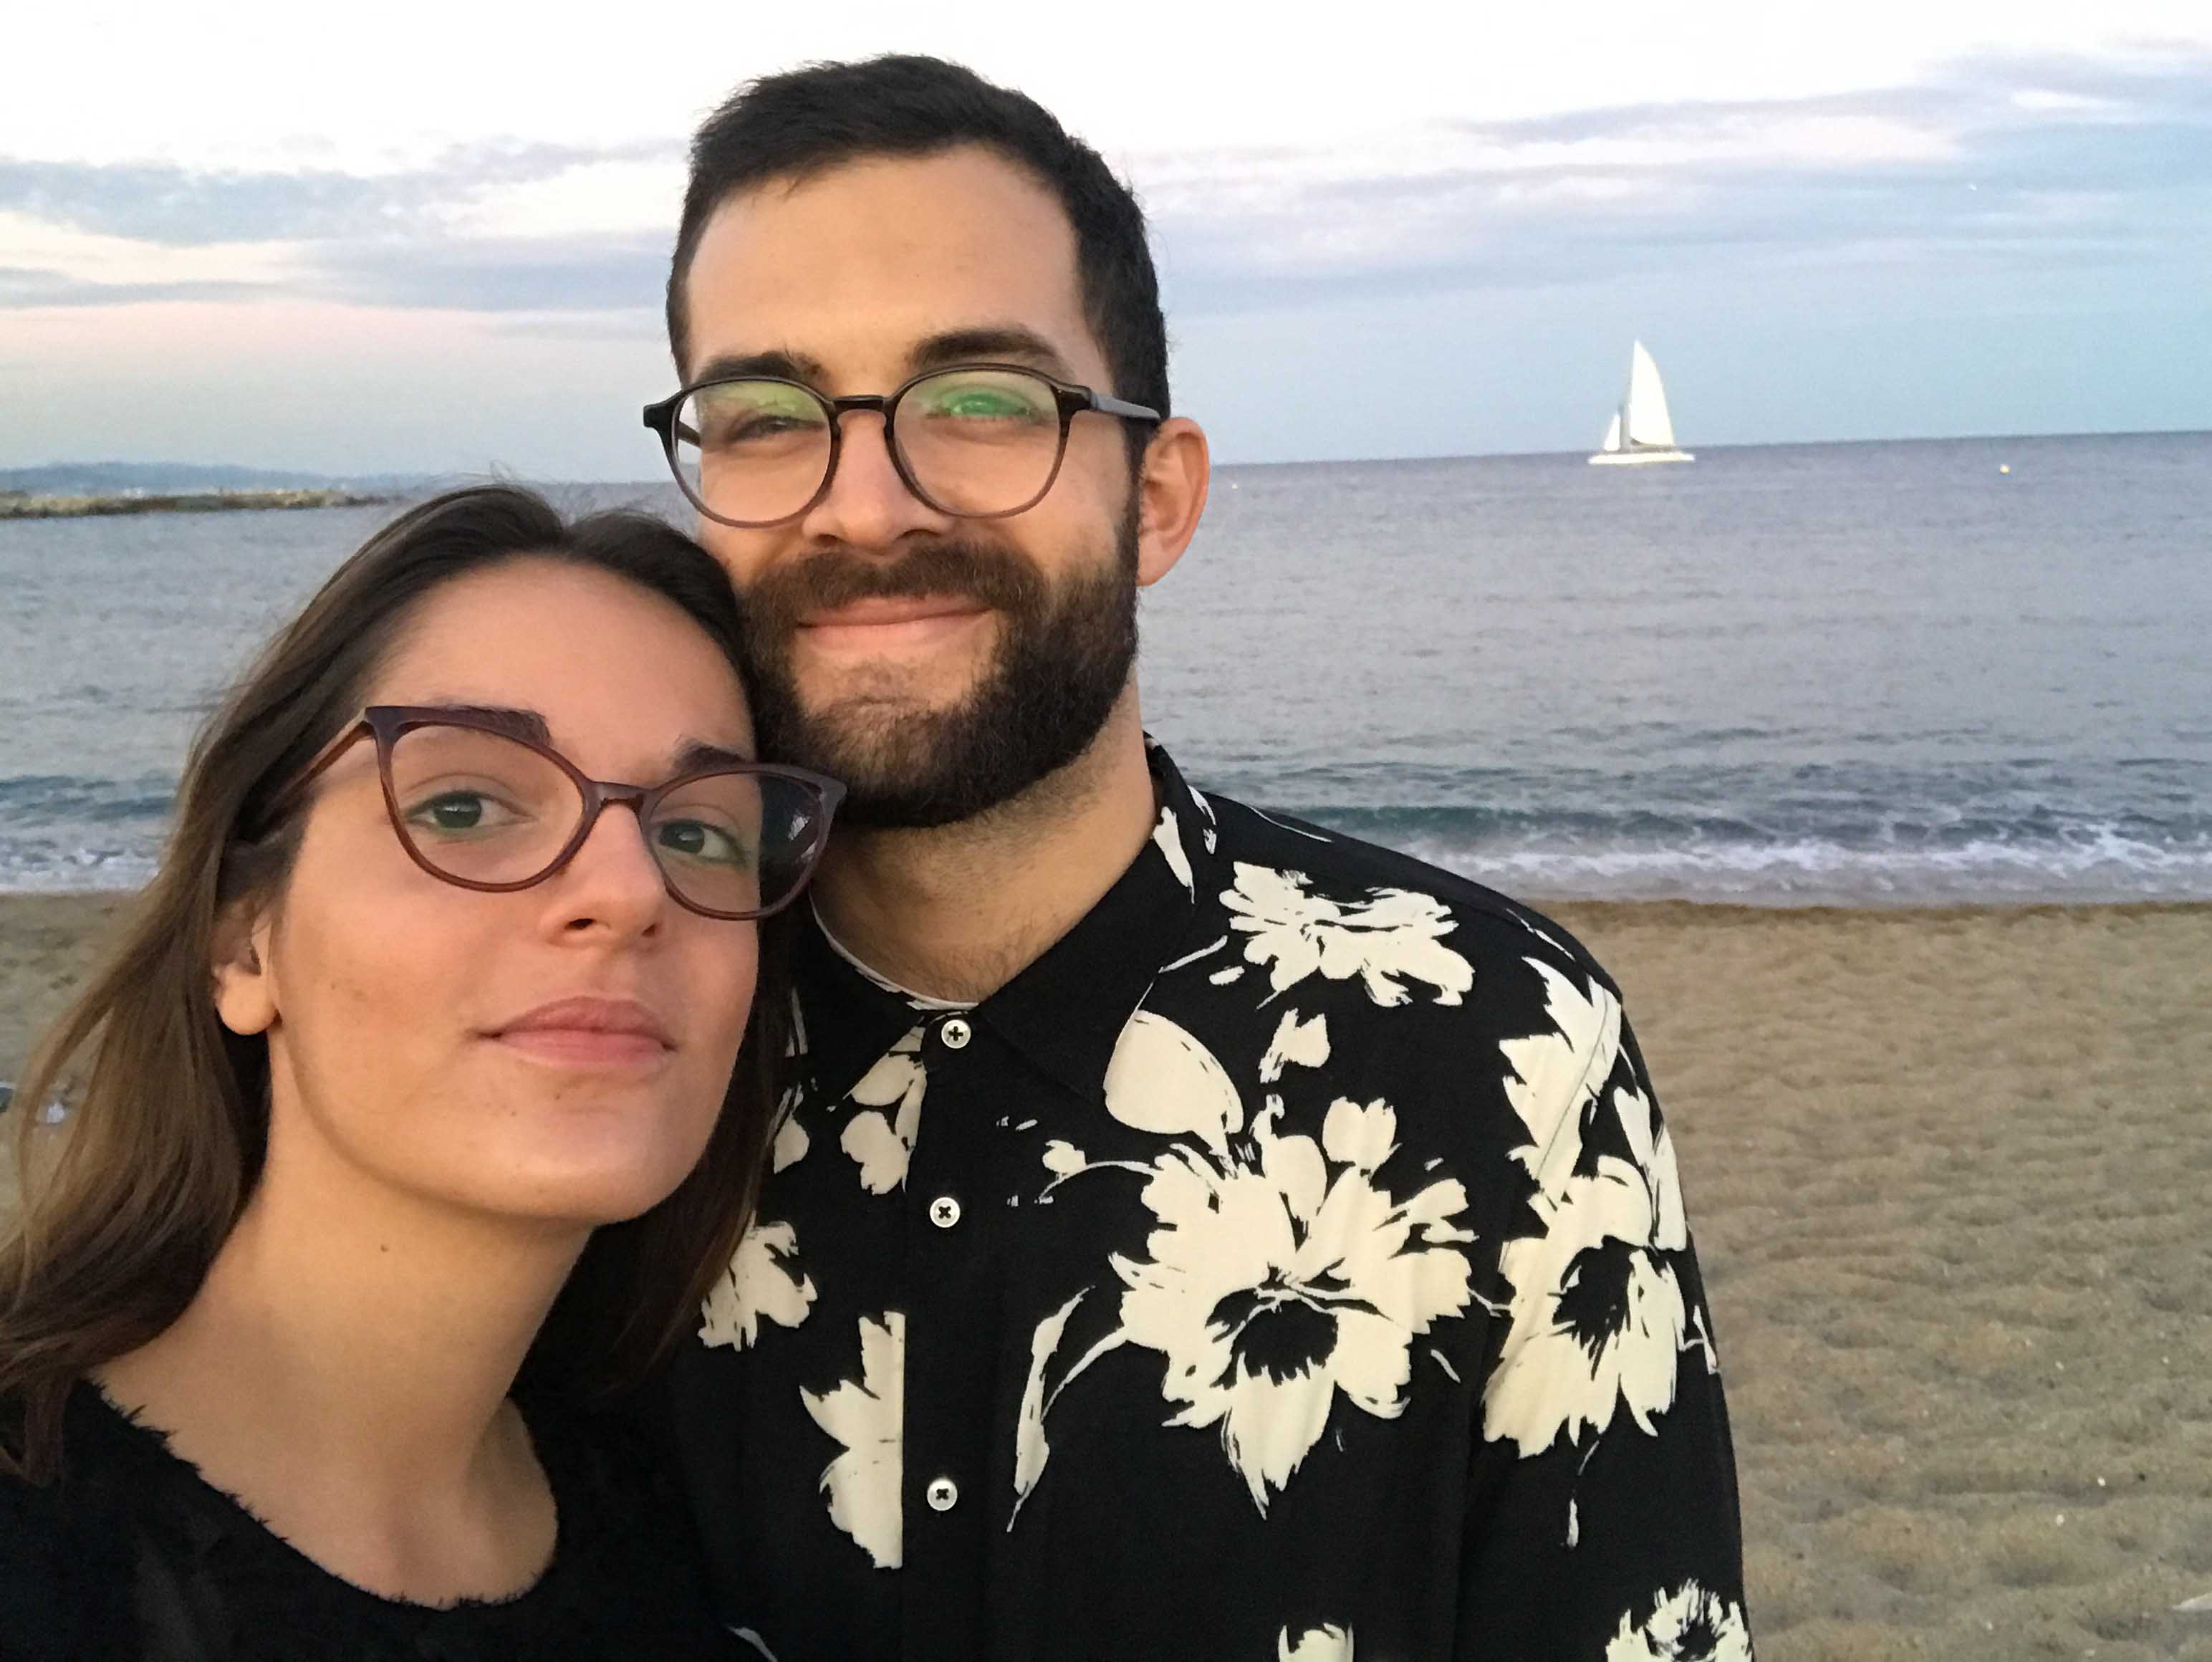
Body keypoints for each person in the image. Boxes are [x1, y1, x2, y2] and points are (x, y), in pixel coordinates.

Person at [645, 54, 1754, 1661]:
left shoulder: (1497, 1042)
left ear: (1155, 499)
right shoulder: (618, 1021)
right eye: (764, 418)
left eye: (978, 404)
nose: (862, 503)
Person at [0, 486, 842, 1659]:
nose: (629, 891)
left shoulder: (688, 1523)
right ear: (244, 942)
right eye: (464, 805)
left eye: (699, 832)